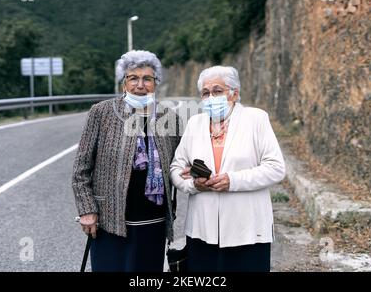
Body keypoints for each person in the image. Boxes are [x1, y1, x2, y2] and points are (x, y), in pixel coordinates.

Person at [72, 50, 181, 271]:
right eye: (133, 78)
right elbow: (81, 170)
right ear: (124, 83)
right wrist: (86, 210)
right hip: (109, 221)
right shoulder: (101, 113)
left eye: (147, 79)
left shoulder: (170, 118)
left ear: (155, 83)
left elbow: (180, 162)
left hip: (154, 223)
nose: (140, 85)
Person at [170, 65, 286, 272]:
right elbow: (176, 168)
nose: (211, 97)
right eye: (205, 93)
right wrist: (194, 184)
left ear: (234, 93)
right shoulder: (195, 123)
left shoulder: (256, 119)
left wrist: (232, 180)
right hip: (202, 230)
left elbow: (276, 167)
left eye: (217, 91)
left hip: (247, 230)